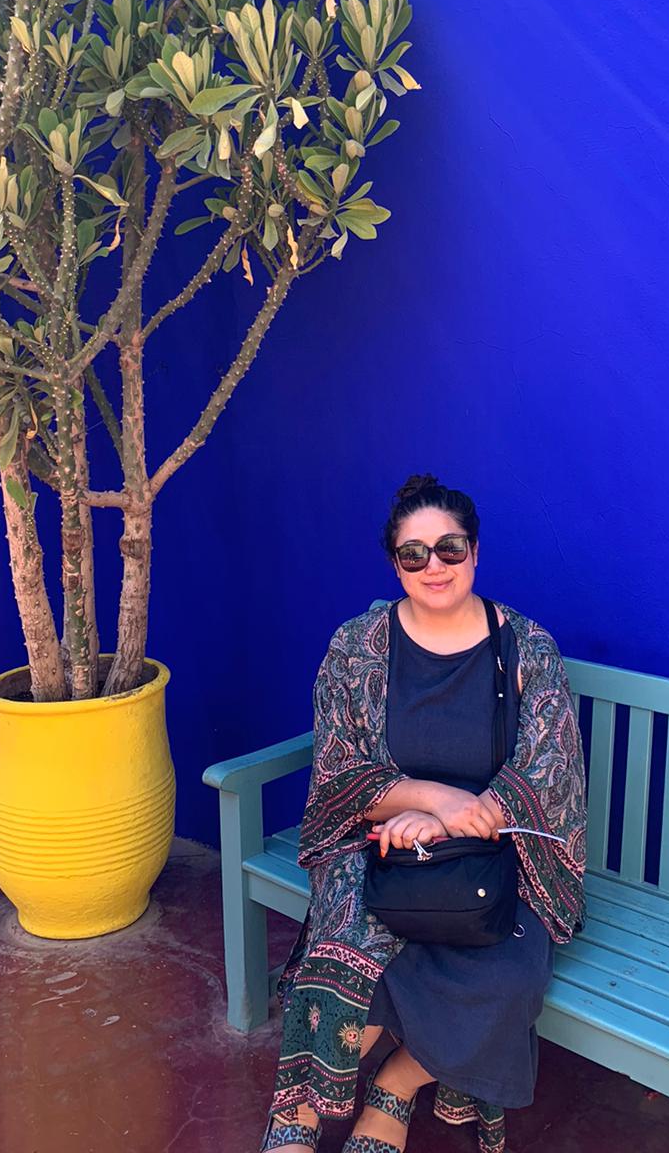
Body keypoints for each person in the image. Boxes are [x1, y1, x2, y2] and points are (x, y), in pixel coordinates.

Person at [258, 474, 587, 1153]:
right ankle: (296, 1117)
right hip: (374, 841)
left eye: (449, 548)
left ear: (475, 553)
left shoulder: (527, 649)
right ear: (393, 563)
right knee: (345, 949)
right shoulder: (358, 648)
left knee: (504, 969)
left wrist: (444, 824)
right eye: (414, 554)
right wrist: (427, 798)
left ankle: (398, 1087)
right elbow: (341, 775)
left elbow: (549, 773)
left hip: (497, 853)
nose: (433, 566)